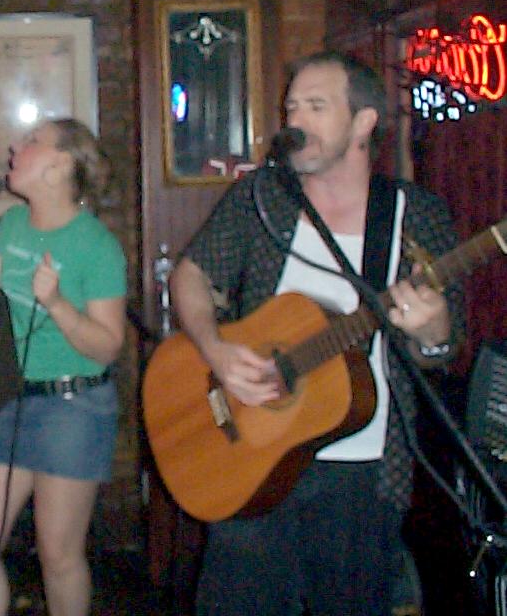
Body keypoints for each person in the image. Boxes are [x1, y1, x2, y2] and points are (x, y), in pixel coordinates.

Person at [170, 51, 466, 615]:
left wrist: (432, 330)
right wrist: (215, 349)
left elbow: (445, 349)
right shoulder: (264, 200)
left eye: (315, 106)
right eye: (291, 108)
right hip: (251, 455)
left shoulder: (414, 215)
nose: (296, 120)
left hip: (362, 472)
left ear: (363, 122)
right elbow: (192, 274)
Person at [0, 118, 127, 616]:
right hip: (9, 398)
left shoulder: (96, 246)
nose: (16, 146)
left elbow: (108, 346)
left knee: (58, 555)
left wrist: (56, 304)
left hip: (73, 404)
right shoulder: (12, 224)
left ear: (60, 165)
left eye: (32, 142)